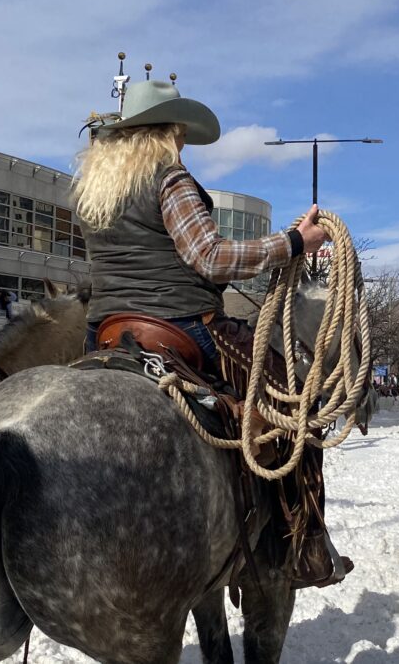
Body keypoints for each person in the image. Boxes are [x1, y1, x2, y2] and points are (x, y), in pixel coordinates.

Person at [71, 76, 345, 586]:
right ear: (168, 131)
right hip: (181, 328)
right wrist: (292, 242)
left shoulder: (93, 192)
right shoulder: (168, 178)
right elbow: (210, 257)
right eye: (179, 134)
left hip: (105, 334)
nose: (181, 145)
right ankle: (300, 548)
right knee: (293, 402)